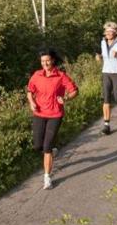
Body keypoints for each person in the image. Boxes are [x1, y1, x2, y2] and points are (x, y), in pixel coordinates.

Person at [27, 48, 79, 189]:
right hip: (39, 114)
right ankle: (52, 148)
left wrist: (66, 98)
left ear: (53, 61)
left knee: (46, 147)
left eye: (48, 60)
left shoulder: (61, 76)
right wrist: (32, 103)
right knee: (38, 145)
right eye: (43, 61)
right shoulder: (37, 75)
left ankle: (47, 178)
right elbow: (29, 91)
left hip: (55, 114)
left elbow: (75, 91)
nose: (45, 63)